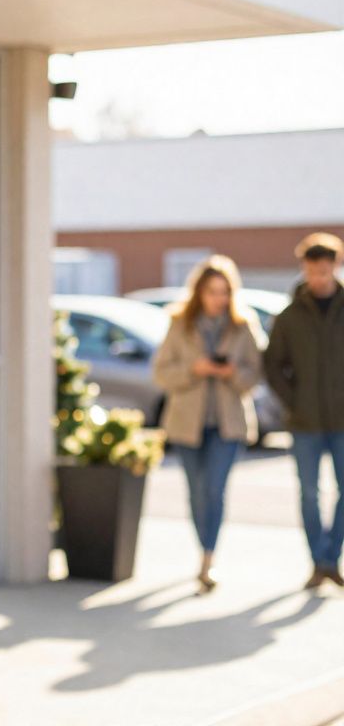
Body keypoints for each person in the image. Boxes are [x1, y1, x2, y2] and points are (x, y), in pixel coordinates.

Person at [152, 255, 262, 594]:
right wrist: (193, 370)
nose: (219, 299)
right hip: (188, 423)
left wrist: (232, 374)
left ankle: (207, 559)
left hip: (227, 425)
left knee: (215, 490)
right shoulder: (180, 323)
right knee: (197, 492)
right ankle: (203, 547)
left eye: (224, 292)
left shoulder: (243, 325)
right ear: (199, 292)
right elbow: (161, 373)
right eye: (212, 292)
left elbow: (256, 373)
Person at [264, 232, 344, 590]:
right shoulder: (289, 316)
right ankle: (317, 561)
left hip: (343, 420)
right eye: (312, 272)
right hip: (303, 421)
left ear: (335, 267)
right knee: (308, 493)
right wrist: (293, 400)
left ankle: (331, 558)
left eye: (323, 272)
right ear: (304, 268)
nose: (318, 279)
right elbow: (272, 365)